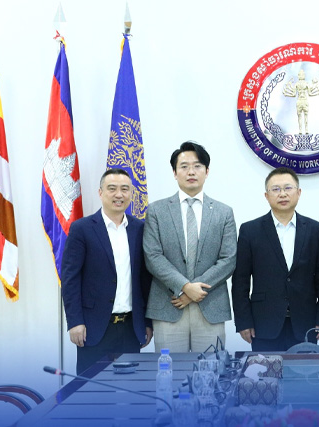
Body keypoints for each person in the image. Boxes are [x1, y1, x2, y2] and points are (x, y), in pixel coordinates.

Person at [143, 141, 237, 353]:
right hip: (169, 305)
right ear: (174, 173)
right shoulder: (156, 211)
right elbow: (153, 256)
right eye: (184, 166)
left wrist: (196, 291)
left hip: (210, 306)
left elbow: (228, 259)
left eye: (197, 166)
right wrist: (185, 287)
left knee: (211, 370)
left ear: (207, 171)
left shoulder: (224, 212)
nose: (191, 172)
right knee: (170, 370)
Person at [61, 168, 152, 375]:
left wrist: (147, 322)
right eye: (112, 189)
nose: (119, 194)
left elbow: (145, 279)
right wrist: (75, 322)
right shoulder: (82, 228)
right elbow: (70, 279)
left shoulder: (139, 229)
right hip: (93, 328)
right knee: (91, 389)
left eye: (124, 189)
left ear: (131, 194)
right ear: (101, 193)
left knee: (130, 388)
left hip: (131, 328)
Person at [231, 167, 319, 351]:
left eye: (288, 188)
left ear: (299, 193)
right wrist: (243, 321)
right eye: (275, 189)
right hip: (263, 323)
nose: (282, 194)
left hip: (305, 323)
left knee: (305, 368)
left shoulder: (316, 230)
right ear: (266, 196)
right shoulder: (250, 231)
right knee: (264, 370)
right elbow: (240, 281)